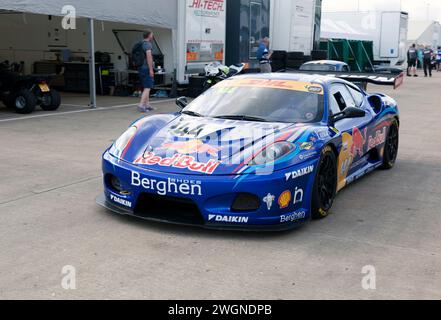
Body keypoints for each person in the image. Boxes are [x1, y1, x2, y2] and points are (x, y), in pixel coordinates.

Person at [138, 30, 155, 112]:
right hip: (146, 68)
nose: (152, 36)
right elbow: (149, 57)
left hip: (140, 67)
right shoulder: (147, 44)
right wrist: (151, 69)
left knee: (145, 86)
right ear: (149, 35)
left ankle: (147, 105)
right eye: (152, 35)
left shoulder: (141, 43)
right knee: (148, 87)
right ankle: (141, 105)